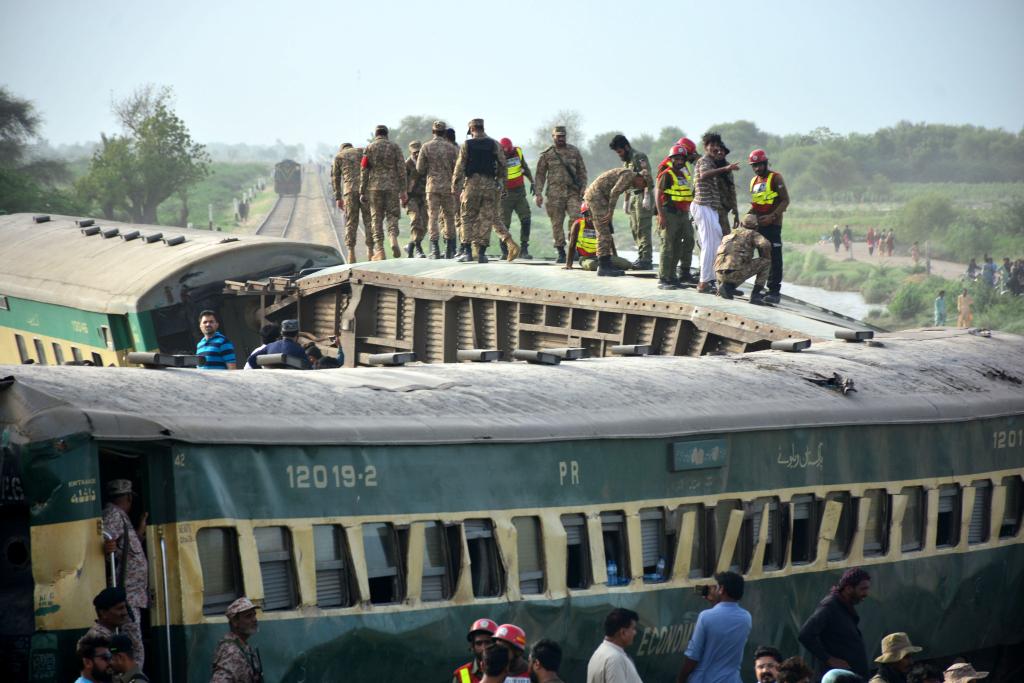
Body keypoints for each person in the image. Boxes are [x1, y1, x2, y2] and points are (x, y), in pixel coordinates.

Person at [451, 118, 521, 263]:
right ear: (482, 128)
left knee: (467, 217)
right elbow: (503, 165)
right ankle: (482, 254)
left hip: (472, 185)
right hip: (490, 186)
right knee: (486, 218)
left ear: (471, 130)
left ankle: (468, 252)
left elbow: (459, 168)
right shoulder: (494, 144)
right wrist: (503, 184)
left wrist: (455, 187)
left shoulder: (467, 144)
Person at [101, 480, 147, 666]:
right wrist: (105, 547)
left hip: (132, 596)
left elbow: (124, 547)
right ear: (128, 497)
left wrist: (140, 533)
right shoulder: (113, 514)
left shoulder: (120, 516)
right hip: (125, 597)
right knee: (134, 648)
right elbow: (105, 542)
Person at [676, 571, 752, 683]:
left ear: (721, 589)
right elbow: (725, 618)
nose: (713, 589)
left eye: (716, 587)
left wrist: (680, 679)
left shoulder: (705, 617)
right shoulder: (746, 618)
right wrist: (716, 603)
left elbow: (693, 656)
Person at [798, 567, 872, 679]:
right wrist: (829, 659)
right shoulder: (830, 607)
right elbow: (805, 634)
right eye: (862, 589)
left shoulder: (844, 607)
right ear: (848, 588)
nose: (866, 593)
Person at [691, 132, 738, 294]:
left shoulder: (713, 162)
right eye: (711, 145)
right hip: (703, 205)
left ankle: (710, 279)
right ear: (705, 147)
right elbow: (703, 175)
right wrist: (726, 168)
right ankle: (703, 282)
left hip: (710, 207)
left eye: (717, 146)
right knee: (709, 245)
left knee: (716, 242)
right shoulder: (704, 161)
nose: (714, 148)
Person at [535, 125, 588, 263]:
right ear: (553, 137)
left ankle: (574, 247)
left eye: (563, 136)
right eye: (558, 136)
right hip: (554, 194)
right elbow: (540, 175)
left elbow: (582, 171)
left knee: (576, 218)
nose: (561, 139)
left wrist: (583, 188)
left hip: (572, 192)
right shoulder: (547, 154)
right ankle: (560, 251)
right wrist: (538, 194)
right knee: (556, 223)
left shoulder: (574, 151)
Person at [582, 168, 647, 277]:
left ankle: (606, 264)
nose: (640, 187)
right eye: (643, 185)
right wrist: (610, 211)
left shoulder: (629, 177)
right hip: (597, 198)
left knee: (605, 231)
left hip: (599, 197)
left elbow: (622, 190)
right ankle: (603, 267)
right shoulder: (629, 176)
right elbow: (615, 191)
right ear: (640, 178)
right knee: (603, 233)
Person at [748, 149, 791, 303]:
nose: (757, 168)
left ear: (765, 163)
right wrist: (747, 216)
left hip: (773, 225)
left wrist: (773, 216)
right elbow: (756, 203)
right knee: (763, 257)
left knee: (775, 258)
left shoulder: (776, 178)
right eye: (754, 166)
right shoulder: (753, 181)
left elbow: (785, 200)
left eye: (760, 164)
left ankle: (774, 291)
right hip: (759, 225)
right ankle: (762, 288)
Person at [359, 124, 408, 260]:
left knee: (376, 218)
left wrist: (362, 191)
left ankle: (380, 249)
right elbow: (402, 169)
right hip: (392, 187)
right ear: (387, 134)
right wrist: (403, 190)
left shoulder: (369, 148)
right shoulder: (395, 147)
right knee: (392, 215)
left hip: (374, 188)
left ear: (376, 135)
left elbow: (364, 170)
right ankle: (392, 238)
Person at [654, 144, 696, 289]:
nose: (679, 161)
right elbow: (658, 194)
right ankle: (663, 278)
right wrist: (661, 215)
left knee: (681, 243)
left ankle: (672, 276)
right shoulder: (667, 174)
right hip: (669, 213)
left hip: (683, 214)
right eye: (676, 158)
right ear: (672, 159)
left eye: (681, 158)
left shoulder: (683, 175)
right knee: (667, 245)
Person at [610, 134, 654, 270]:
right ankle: (641, 256)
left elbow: (647, 176)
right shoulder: (626, 162)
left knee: (643, 228)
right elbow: (627, 182)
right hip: (633, 196)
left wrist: (647, 196)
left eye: (620, 151)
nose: (619, 154)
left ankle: (646, 259)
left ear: (626, 147)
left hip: (642, 195)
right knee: (635, 228)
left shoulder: (638, 157)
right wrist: (626, 201)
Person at [417, 120, 460, 259]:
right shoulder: (451, 148)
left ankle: (435, 248)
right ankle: (449, 249)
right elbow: (457, 169)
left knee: (433, 217)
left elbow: (419, 169)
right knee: (449, 217)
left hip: (432, 187)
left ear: (433, 131)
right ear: (444, 132)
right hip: (448, 187)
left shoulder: (426, 147)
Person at [714, 213, 772, 304]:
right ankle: (755, 295)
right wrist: (766, 255)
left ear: (741, 224)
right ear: (756, 227)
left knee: (729, 261)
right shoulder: (752, 233)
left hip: (718, 273)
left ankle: (726, 287)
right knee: (766, 262)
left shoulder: (731, 233)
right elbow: (766, 244)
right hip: (735, 274)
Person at [564, 202, 633, 273]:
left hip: (603, 256)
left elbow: (610, 241)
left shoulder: (602, 224)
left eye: (593, 215)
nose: (590, 218)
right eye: (587, 215)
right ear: (583, 215)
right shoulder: (578, 224)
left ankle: (610, 266)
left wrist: (615, 257)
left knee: (626, 264)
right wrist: (569, 264)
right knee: (592, 265)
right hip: (586, 258)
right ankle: (609, 267)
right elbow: (572, 245)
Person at [335, 142, 373, 263]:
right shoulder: (362, 152)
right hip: (365, 190)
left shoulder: (339, 156)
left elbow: (335, 178)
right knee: (368, 221)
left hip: (349, 191)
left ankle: (351, 253)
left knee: (351, 222)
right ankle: (370, 251)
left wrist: (338, 198)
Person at [210, 597, 263, 683]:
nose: (254, 619)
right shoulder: (230, 651)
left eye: (254, 614)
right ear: (235, 622)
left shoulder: (242, 645)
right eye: (248, 616)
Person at [499, 137, 535, 259]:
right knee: (504, 223)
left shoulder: (518, 152)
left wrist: (532, 182)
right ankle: (505, 251)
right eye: (505, 153)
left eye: (509, 152)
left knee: (526, 219)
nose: (507, 154)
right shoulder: (497, 156)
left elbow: (525, 168)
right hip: (505, 195)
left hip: (519, 192)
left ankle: (524, 249)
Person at [586, 607, 643, 683]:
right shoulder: (615, 659)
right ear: (623, 632)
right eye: (633, 628)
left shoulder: (599, 653)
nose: (635, 632)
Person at [78, 587, 129, 664]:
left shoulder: (110, 635)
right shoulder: (96, 638)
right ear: (103, 613)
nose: (125, 612)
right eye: (120, 608)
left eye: (125, 608)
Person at [453, 618, 499, 683]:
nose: (484, 648)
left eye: (488, 642)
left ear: (497, 645)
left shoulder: (508, 671)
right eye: (479, 643)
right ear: (472, 647)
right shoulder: (464, 674)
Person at [404, 140, 428, 258]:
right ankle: (418, 248)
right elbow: (402, 181)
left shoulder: (425, 163)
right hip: (411, 197)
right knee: (416, 220)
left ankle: (411, 245)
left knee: (425, 224)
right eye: (414, 153)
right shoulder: (407, 164)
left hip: (424, 196)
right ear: (411, 152)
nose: (417, 154)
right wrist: (403, 196)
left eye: (419, 152)